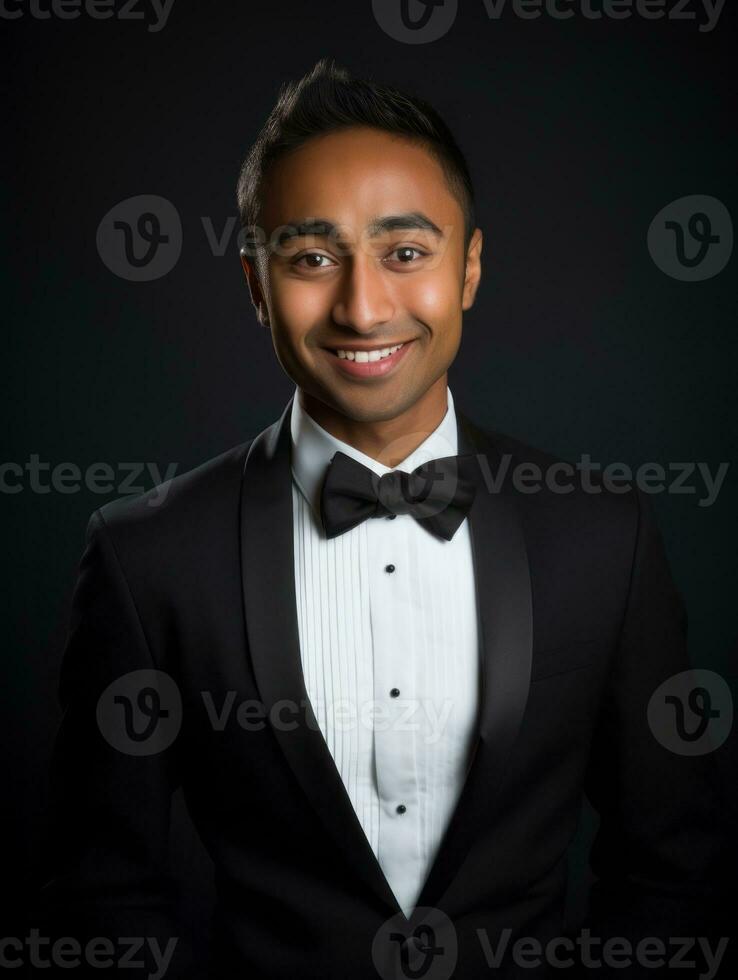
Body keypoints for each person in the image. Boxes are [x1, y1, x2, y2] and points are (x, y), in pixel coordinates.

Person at [34, 57, 726, 979]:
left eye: (406, 253)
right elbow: (99, 894)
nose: (363, 309)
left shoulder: (606, 535)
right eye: (312, 259)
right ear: (253, 284)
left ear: (470, 267)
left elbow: (668, 871)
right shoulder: (146, 556)